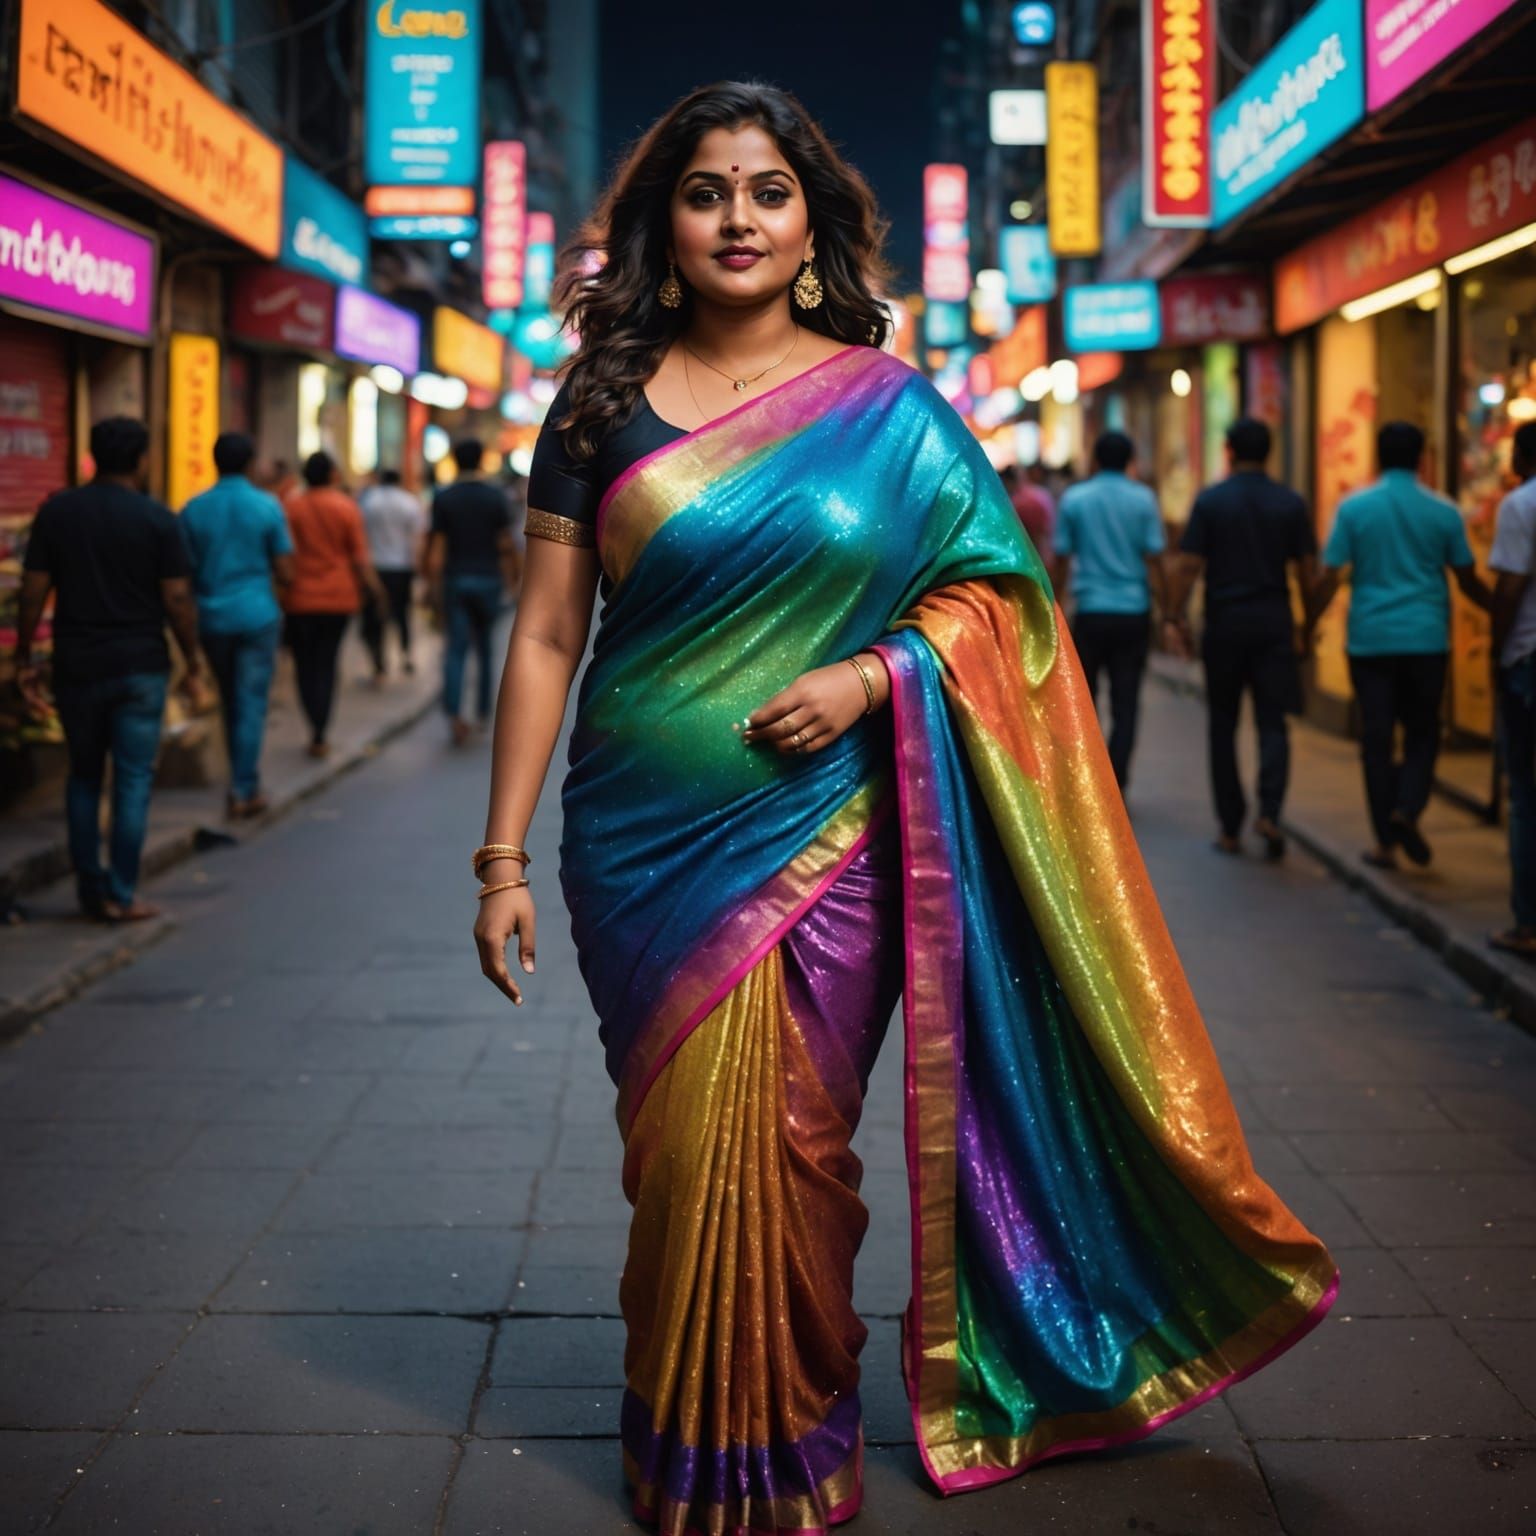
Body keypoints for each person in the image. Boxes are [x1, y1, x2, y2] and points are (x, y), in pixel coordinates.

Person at [466, 82, 1336, 1535]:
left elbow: (1001, 599)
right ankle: (686, 1438)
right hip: (637, 839)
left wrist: (875, 679)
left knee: (800, 1148)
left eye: (765, 189)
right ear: (659, 226)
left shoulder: (892, 408)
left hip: (834, 833)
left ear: (810, 218)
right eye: (704, 192)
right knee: (683, 1159)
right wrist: (496, 857)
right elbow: (550, 635)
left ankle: (787, 1436)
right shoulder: (597, 407)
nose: (736, 217)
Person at [14, 417, 205, 920]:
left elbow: (32, 589)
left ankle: (89, 889)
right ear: (142, 459)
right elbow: (178, 599)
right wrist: (195, 660)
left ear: (93, 454)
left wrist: (24, 658)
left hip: (77, 663)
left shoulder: (58, 513)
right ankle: (121, 893)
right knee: (133, 779)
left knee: (82, 775)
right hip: (140, 665)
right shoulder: (159, 520)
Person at [1307, 421, 1492, 870]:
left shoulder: (1354, 510)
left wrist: (1307, 624)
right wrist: (1502, 611)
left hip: (1370, 640)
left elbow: (1330, 575)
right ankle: (1407, 809)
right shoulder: (1445, 512)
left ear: (1377, 456)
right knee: (1423, 731)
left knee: (1376, 736)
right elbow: (1466, 578)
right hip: (1426, 638)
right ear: (1423, 459)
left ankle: (1385, 841)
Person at [1165, 418, 1317, 859]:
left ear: (1229, 450)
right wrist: (1308, 624)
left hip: (1226, 625)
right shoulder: (1290, 503)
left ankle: (1230, 828)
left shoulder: (1212, 501)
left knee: (1223, 724)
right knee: (1274, 722)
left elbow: (1189, 565)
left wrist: (1175, 616)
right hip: (1274, 622)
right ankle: (1270, 812)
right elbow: (1307, 575)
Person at [178, 431, 294, 818]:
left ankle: (242, 780)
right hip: (257, 616)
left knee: (231, 700)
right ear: (249, 463)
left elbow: (182, 574)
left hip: (212, 619)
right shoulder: (267, 506)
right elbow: (285, 568)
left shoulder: (193, 509)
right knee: (250, 702)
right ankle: (244, 786)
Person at [1052, 430, 1168, 788]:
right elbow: (1155, 557)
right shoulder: (1144, 499)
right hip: (1134, 610)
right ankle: (1118, 782)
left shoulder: (1075, 499)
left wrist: (1053, 603)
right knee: (1127, 700)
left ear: (1096, 460)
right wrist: (1168, 609)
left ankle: (1092, 784)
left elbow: (1060, 557)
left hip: (1090, 610)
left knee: (1086, 700)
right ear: (1131, 461)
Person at [281, 451, 385, 759]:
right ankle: (320, 731)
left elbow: (283, 554)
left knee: (304, 664)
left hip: (299, 598)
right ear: (332, 475)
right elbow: (360, 557)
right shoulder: (346, 507)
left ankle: (313, 720)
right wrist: (375, 589)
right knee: (327, 662)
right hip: (339, 598)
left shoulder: (291, 507)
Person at [426, 438, 519, 745]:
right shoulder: (495, 497)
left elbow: (437, 550)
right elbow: (505, 544)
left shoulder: (444, 497)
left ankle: (454, 716)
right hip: (488, 580)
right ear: (481, 460)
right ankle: (481, 715)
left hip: (456, 580)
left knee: (456, 649)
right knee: (486, 649)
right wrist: (514, 580)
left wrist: (431, 588)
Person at [1489, 421, 1536, 956]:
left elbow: (1511, 584)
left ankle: (1528, 923)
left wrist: (1498, 656)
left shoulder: (1520, 505)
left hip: (1526, 658)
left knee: (1523, 795)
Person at [358, 468, 425, 680]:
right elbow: (417, 538)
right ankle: (406, 656)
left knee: (374, 616)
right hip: (401, 567)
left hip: (375, 567)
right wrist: (417, 567)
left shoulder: (368, 502)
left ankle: (379, 664)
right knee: (402, 613)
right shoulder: (409, 503)